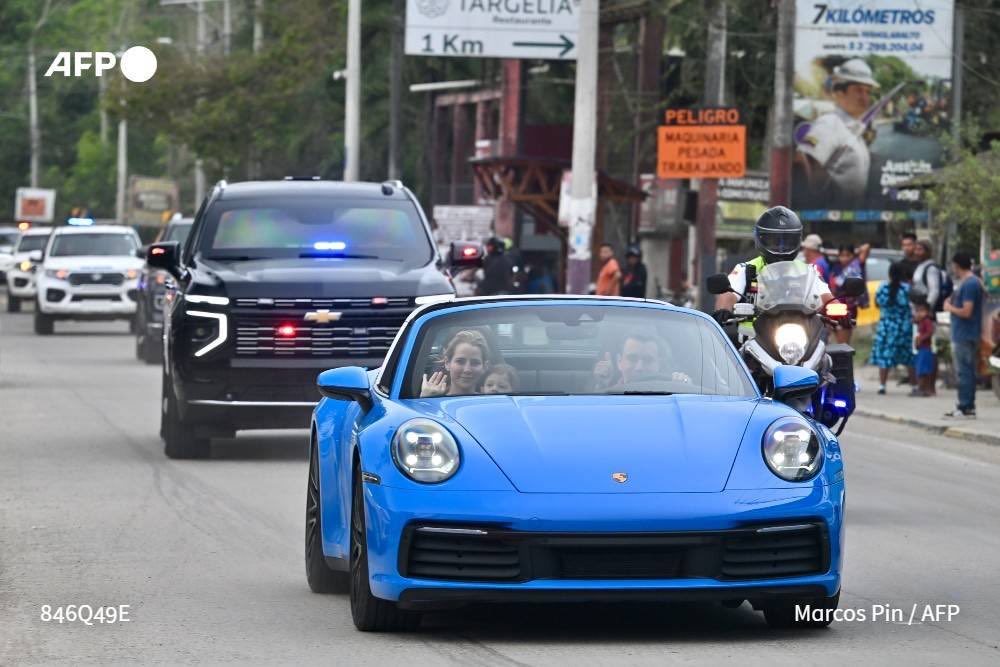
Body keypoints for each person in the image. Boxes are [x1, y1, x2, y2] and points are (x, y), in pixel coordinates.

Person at [716, 206, 832, 315]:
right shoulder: (745, 270)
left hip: (801, 333)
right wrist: (723, 310)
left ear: (798, 240)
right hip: (753, 335)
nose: (781, 247)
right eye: (774, 241)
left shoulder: (809, 271)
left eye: (788, 241)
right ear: (760, 239)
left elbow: (826, 296)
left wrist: (837, 310)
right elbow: (727, 296)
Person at [796, 59, 878, 206]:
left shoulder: (854, 130)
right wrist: (817, 200)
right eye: (858, 90)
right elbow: (802, 160)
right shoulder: (829, 123)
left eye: (868, 91)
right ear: (840, 93)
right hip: (830, 216)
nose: (865, 97)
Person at [942, 252, 984, 418]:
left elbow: (967, 311)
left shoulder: (970, 284)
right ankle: (967, 405)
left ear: (957, 265)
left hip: (965, 334)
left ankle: (965, 406)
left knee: (964, 371)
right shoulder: (968, 282)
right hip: (964, 332)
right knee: (966, 370)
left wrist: (949, 308)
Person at [591, 332, 691, 391]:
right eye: (632, 359)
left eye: (648, 360)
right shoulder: (608, 392)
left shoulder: (672, 392)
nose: (639, 367)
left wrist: (684, 387)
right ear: (619, 362)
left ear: (659, 364)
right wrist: (601, 386)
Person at [871, 263, 913, 395]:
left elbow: (877, 304)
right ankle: (915, 384)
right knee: (908, 356)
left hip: (886, 326)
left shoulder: (882, 287)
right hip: (903, 326)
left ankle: (882, 385)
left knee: (884, 356)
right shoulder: (907, 289)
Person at [420, 329, 491, 397]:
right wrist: (424, 400)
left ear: (485, 366)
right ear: (447, 363)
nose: (467, 370)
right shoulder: (432, 399)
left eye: (475, 363)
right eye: (460, 361)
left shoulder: (491, 402)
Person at [829, 243, 870, 344]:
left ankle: (845, 360)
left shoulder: (856, 265)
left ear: (853, 256)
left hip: (848, 309)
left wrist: (855, 253)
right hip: (833, 307)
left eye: (848, 255)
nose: (845, 258)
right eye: (842, 255)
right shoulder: (835, 267)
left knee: (843, 344)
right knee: (834, 344)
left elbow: (866, 247)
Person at [912, 302, 937, 397]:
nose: (919, 313)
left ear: (927, 312)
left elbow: (930, 332)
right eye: (917, 311)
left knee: (923, 370)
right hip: (921, 349)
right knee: (920, 370)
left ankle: (923, 388)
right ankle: (923, 388)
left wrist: (921, 338)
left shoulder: (927, 321)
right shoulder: (920, 322)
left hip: (926, 349)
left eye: (922, 311)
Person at [911, 240, 944, 311]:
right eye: (915, 250)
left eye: (920, 250)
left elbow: (934, 291)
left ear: (927, 252)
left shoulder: (931, 268)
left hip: (924, 308)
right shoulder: (920, 265)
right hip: (917, 306)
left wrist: (926, 309)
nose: (916, 253)